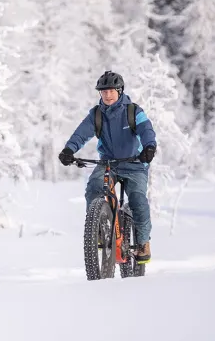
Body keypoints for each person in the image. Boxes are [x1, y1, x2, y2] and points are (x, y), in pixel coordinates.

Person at [58, 70, 158, 262]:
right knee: (94, 187)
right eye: (103, 92)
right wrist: (69, 150)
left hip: (134, 163)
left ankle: (143, 242)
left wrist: (149, 147)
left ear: (120, 91)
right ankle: (97, 227)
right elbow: (81, 134)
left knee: (137, 199)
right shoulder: (96, 115)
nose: (107, 94)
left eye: (111, 90)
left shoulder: (133, 111)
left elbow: (147, 130)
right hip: (108, 163)